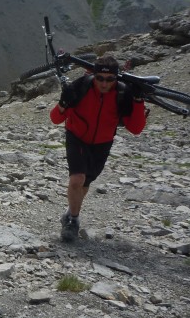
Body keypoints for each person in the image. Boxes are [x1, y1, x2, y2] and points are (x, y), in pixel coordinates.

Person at [49, 56, 147, 241]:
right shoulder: (81, 87)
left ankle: (69, 213)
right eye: (100, 78)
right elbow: (55, 119)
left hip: (102, 143)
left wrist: (138, 101)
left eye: (109, 79)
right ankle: (73, 222)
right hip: (76, 136)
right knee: (77, 179)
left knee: (85, 185)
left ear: (116, 78)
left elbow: (136, 129)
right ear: (93, 75)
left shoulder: (122, 94)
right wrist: (63, 103)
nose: (104, 83)